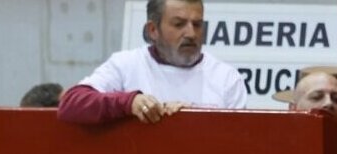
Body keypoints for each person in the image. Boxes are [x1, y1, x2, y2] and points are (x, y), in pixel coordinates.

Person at [58, 0, 246, 125]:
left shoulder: (227, 78)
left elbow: (240, 146)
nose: (191, 34)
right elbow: (71, 103)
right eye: (179, 24)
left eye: (197, 24)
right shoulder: (126, 65)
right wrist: (129, 102)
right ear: (153, 30)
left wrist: (192, 119)